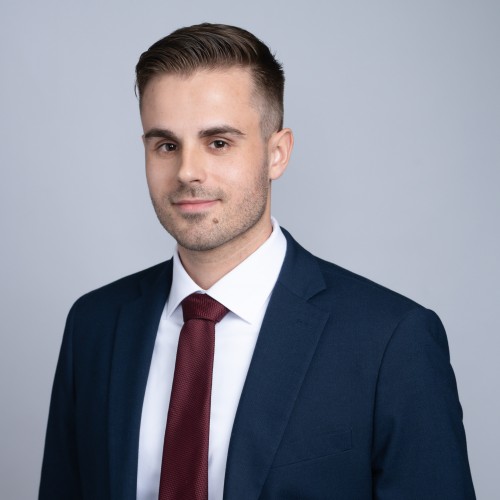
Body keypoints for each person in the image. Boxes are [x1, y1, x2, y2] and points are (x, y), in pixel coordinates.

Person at [39, 23, 476, 500]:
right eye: (166, 145)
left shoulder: (391, 340)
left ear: (277, 154)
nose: (187, 171)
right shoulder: (94, 325)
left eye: (218, 142)